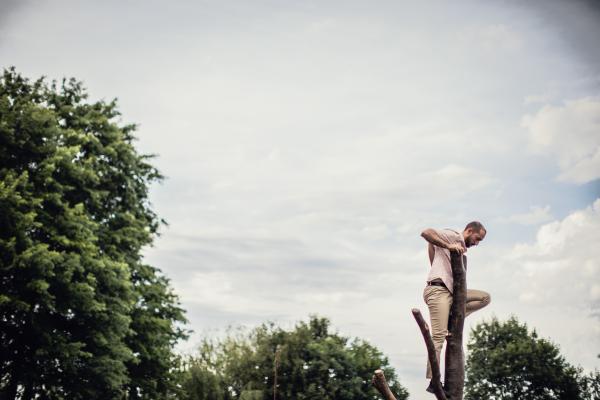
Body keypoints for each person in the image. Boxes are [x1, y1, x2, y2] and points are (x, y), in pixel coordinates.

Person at [420, 221, 491, 393]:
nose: (477, 243)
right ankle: (434, 382)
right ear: (469, 230)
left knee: (484, 297)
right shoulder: (453, 236)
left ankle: (453, 318)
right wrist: (447, 245)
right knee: (438, 338)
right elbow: (426, 233)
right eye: (477, 238)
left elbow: (432, 244)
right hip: (438, 291)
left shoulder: (461, 249)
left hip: (452, 294)